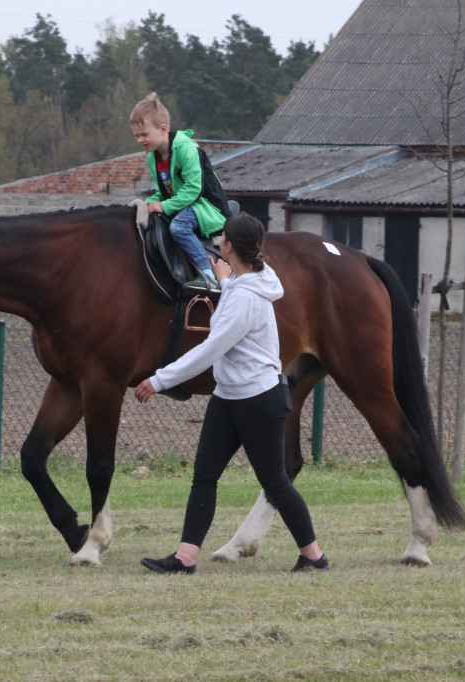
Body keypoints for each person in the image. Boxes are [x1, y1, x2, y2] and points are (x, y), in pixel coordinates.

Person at [135, 213, 328, 574]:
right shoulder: (253, 279)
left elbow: (212, 347)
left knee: (275, 481)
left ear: (228, 247)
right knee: (205, 474)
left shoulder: (244, 296)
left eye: (221, 237)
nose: (218, 241)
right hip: (228, 396)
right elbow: (238, 299)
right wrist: (225, 281)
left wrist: (159, 379)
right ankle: (185, 558)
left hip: (259, 399)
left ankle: (314, 557)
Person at [130, 92, 229, 292]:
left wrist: (164, 206)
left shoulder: (186, 149)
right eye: (137, 136)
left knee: (179, 227)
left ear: (163, 128)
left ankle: (208, 274)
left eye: (144, 134)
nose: (140, 140)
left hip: (206, 206)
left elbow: (194, 188)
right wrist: (149, 202)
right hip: (184, 204)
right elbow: (163, 191)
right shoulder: (153, 158)